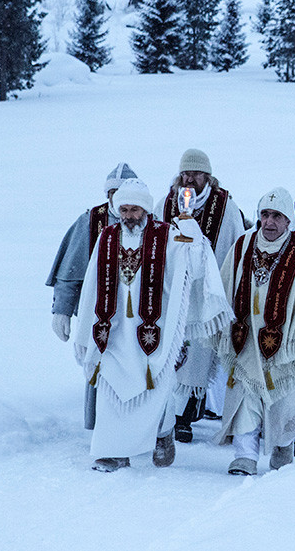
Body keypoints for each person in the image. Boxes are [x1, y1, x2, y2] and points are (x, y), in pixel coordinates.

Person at [72, 179, 231, 472]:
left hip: (154, 328)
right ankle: (112, 451)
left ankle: (163, 433)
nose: (130, 215)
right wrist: (85, 331)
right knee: (111, 389)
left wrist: (191, 232)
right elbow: (92, 287)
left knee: (155, 389)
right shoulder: (107, 237)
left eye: (135, 209)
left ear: (146, 209)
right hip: (114, 330)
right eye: (124, 209)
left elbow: (194, 267)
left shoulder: (166, 236)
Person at [215, 188, 295, 476]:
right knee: (245, 397)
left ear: (289, 221)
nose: (269, 222)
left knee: (285, 402)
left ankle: (283, 445)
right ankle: (244, 455)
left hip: (286, 345)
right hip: (245, 342)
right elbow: (224, 286)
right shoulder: (242, 245)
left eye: (277, 216)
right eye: (265, 215)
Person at [156, 148, 245, 439]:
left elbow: (234, 247)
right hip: (172, 291)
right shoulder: (167, 202)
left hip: (206, 292)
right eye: (185, 173)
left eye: (195, 174)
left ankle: (185, 416)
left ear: (207, 176)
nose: (189, 179)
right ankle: (163, 412)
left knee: (199, 354)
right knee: (169, 352)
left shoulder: (225, 207)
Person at [47, 162, 137, 429]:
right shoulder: (90, 221)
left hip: (137, 313)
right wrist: (61, 310)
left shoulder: (146, 222)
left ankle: (134, 428)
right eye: (113, 193)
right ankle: (101, 426)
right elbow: (70, 271)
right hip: (99, 312)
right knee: (100, 367)